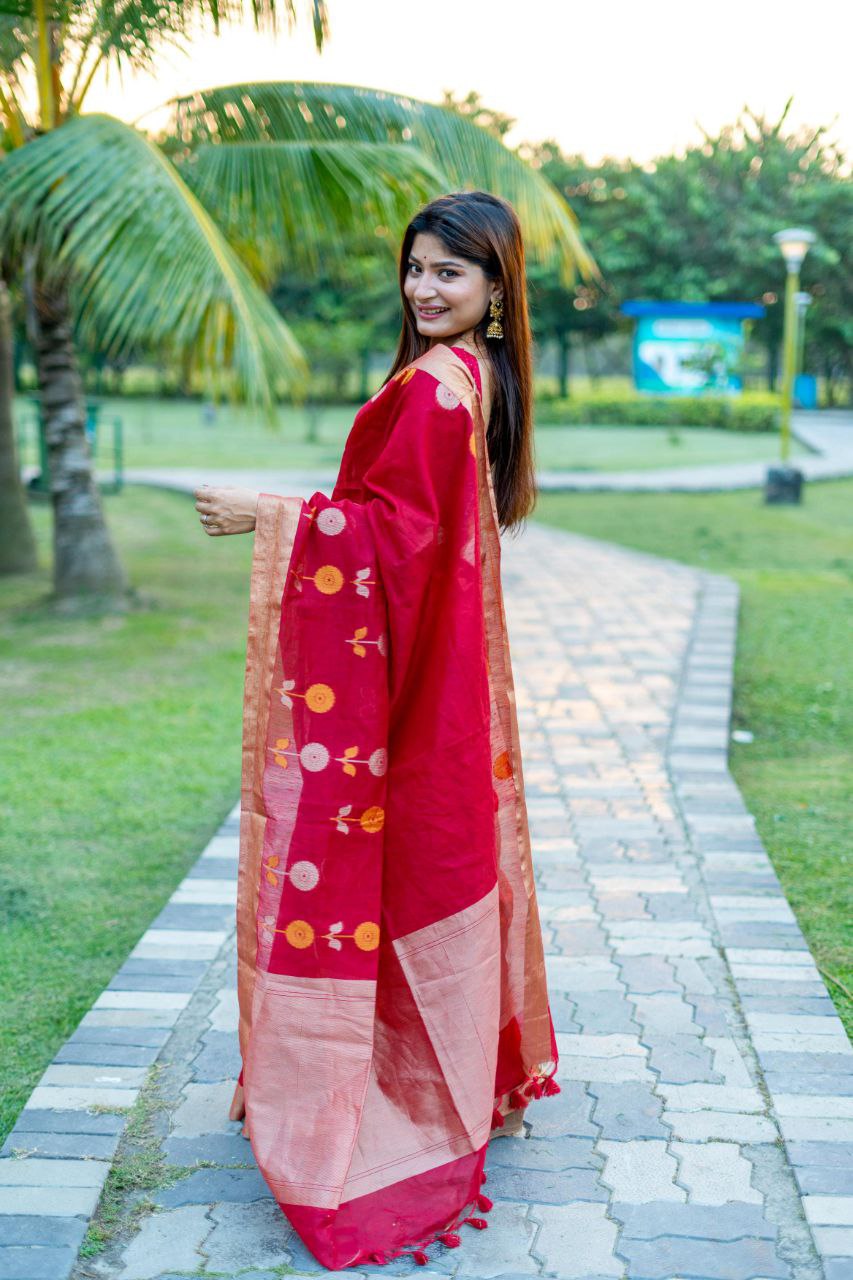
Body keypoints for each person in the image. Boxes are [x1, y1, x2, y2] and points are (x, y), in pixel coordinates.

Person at [193, 191, 559, 1271]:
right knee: (436, 855)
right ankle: (462, 1073)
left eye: (451, 272)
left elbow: (395, 538)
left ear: (496, 292)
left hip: (416, 688)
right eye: (415, 267)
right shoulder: (468, 378)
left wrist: (271, 513)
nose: (424, 287)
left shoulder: (444, 389)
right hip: (437, 680)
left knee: (390, 863)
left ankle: (395, 1095)